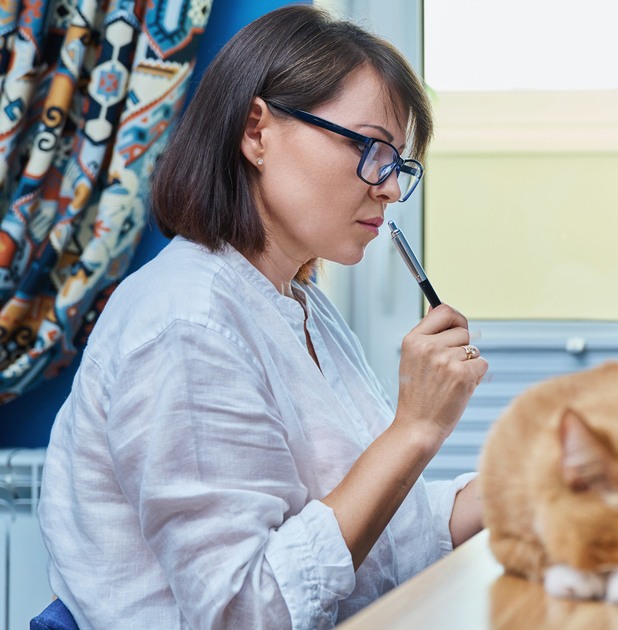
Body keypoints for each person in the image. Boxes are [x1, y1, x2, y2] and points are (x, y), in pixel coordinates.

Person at [37, 6, 489, 628]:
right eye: (370, 149)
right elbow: (244, 611)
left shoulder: (299, 305)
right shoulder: (187, 325)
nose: (387, 187)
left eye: (397, 165)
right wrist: (414, 428)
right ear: (257, 131)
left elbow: (371, 531)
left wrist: (520, 487)